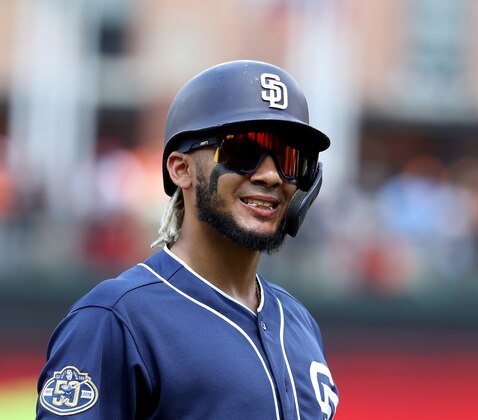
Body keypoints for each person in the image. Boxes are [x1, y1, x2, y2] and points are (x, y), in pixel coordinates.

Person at [37, 60, 339, 419]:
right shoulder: (115, 318)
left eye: (290, 158)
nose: (272, 175)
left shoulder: (298, 321)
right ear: (180, 169)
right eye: (242, 152)